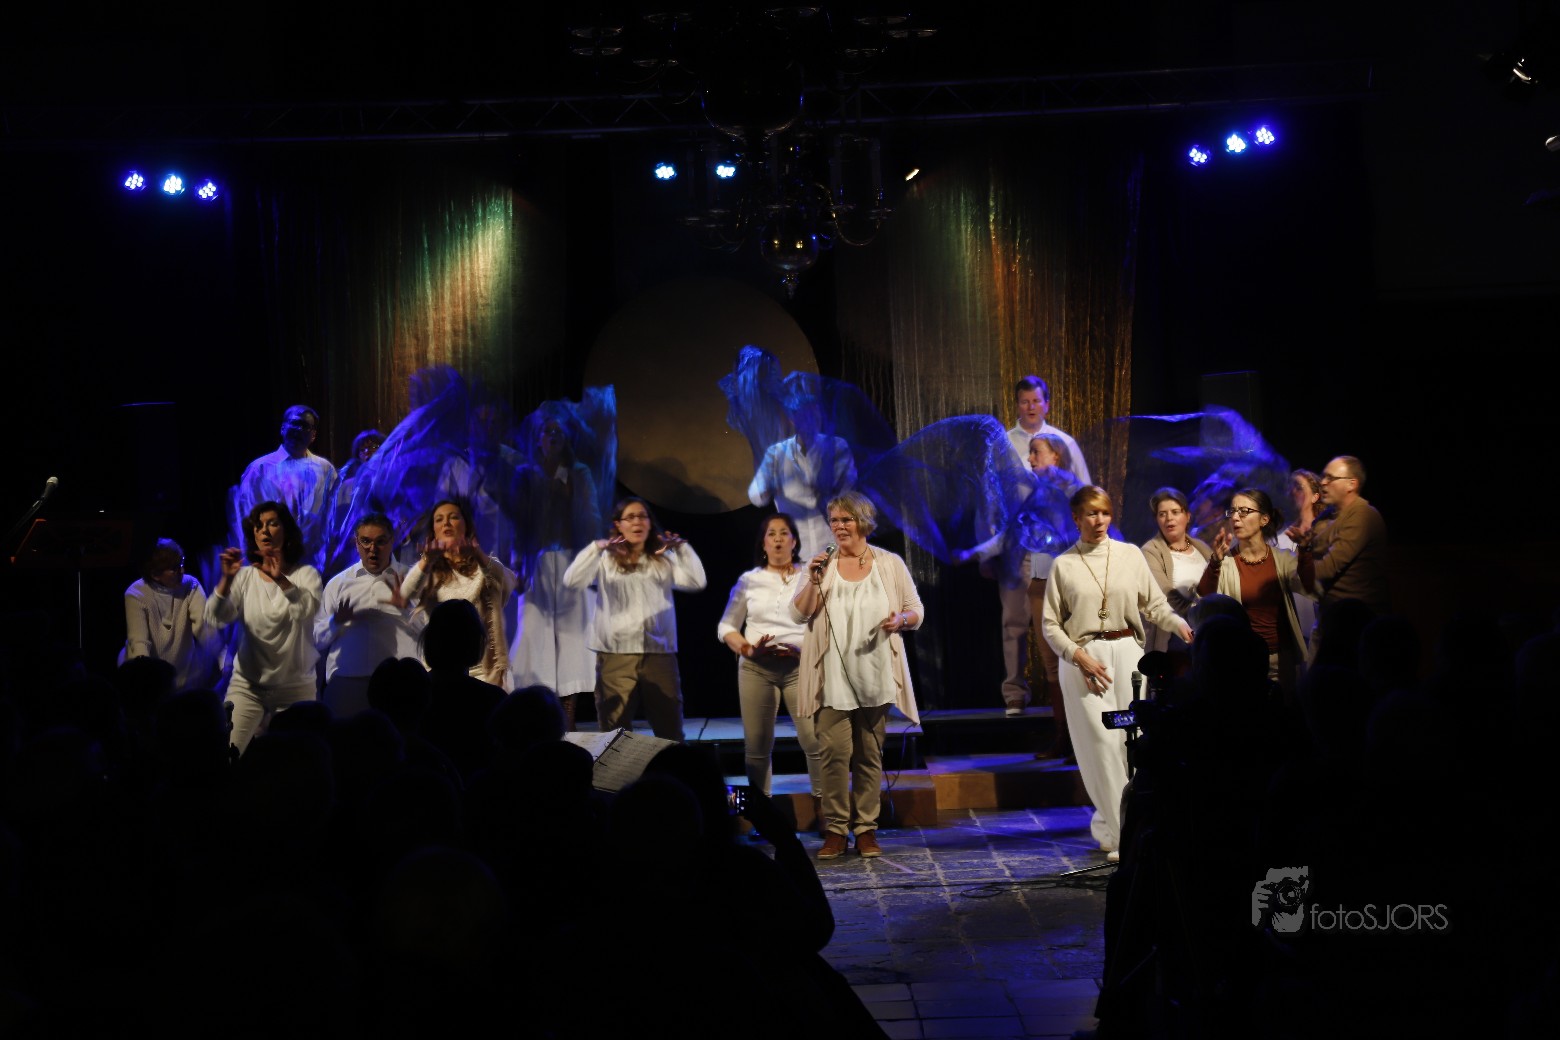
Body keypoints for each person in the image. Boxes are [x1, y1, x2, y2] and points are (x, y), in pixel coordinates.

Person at [1041, 485, 1191, 860]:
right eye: (1091, 513)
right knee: (1102, 744)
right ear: (1076, 518)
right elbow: (1050, 625)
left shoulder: (1129, 555)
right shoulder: (1064, 565)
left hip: (1127, 656)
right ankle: (1127, 834)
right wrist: (1078, 656)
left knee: (1131, 743)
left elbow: (1154, 605)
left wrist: (1179, 625)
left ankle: (1113, 823)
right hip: (1084, 662)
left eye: (1105, 512)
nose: (1099, 520)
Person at [790, 490, 923, 860]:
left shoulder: (889, 563)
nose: (839, 526)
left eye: (846, 519)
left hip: (875, 674)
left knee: (868, 756)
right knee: (834, 755)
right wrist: (813, 580)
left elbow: (915, 610)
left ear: (863, 521)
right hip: (832, 677)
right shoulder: (821, 565)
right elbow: (798, 614)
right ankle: (836, 829)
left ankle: (865, 828)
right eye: (834, 520)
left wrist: (901, 620)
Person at [562, 496, 707, 741]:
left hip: (658, 654)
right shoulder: (606, 559)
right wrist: (597, 547)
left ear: (650, 523)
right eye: (630, 517)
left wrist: (682, 549)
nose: (637, 522)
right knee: (614, 731)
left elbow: (696, 581)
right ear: (618, 525)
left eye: (642, 516)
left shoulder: (662, 559)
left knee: (670, 730)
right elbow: (571, 580)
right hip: (616, 655)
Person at [997, 377, 1090, 718]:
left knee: (1066, 620)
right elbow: (992, 497)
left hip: (1057, 549)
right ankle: (1015, 693)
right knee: (1014, 620)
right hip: (1016, 546)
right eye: (1025, 401)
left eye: (1036, 401)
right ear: (1017, 404)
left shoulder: (1062, 442)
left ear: (1046, 404)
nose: (1031, 407)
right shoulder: (1004, 444)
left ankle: (1072, 697)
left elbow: (1085, 493)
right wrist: (991, 549)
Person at [717, 512, 824, 802]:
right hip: (757, 669)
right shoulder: (749, 580)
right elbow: (726, 626)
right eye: (771, 534)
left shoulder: (810, 577)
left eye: (784, 533)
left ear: (795, 541)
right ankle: (760, 811)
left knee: (814, 740)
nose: (777, 539)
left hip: (800, 667)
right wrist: (749, 649)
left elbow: (826, 624)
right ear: (763, 544)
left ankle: (827, 811)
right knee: (757, 745)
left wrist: (805, 650)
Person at [509, 405, 603, 730]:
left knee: (573, 639)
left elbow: (591, 516)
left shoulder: (578, 473)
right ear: (537, 438)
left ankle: (568, 718)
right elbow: (518, 522)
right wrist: (517, 562)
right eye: (547, 431)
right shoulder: (525, 474)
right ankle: (541, 718)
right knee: (535, 636)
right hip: (536, 563)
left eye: (558, 432)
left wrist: (593, 559)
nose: (552, 436)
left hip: (571, 560)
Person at [204, 501, 324, 755]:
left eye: (272, 524)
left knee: (299, 758)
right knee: (227, 753)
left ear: (286, 531)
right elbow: (215, 618)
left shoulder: (306, 575)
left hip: (295, 685)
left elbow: (305, 611)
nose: (264, 531)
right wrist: (226, 579)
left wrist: (280, 578)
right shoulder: (244, 577)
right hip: (248, 685)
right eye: (258, 526)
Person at [1196, 488, 1308, 693]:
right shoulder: (1226, 561)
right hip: (1241, 659)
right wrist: (1215, 562)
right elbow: (1205, 598)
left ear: (1264, 519)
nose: (1235, 517)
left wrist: (1306, 552)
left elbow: (1310, 587)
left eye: (1244, 511)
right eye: (1232, 511)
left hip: (1281, 659)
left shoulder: (1283, 559)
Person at [400, 498, 517, 690]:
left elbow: (505, 582)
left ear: (466, 525)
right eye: (439, 519)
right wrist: (426, 561)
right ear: (433, 530)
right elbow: (407, 593)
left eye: (453, 517)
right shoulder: (428, 572)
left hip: (486, 672)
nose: (446, 523)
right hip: (440, 673)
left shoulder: (486, 566)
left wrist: (477, 554)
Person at [313, 513, 421, 719]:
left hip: (400, 687)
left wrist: (408, 609)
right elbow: (316, 640)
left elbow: (431, 636)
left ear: (392, 541)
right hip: (346, 684)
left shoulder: (412, 580)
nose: (373, 549)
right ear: (356, 543)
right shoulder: (338, 584)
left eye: (380, 541)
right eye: (366, 541)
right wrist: (335, 622)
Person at [747, 396, 857, 561]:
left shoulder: (836, 446)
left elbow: (848, 489)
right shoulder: (776, 453)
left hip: (833, 546)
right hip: (796, 551)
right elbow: (756, 496)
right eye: (805, 417)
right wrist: (771, 485)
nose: (811, 422)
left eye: (815, 416)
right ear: (792, 419)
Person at [232, 405, 338, 574]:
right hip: (269, 562)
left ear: (313, 435)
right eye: (294, 423)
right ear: (283, 428)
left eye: (305, 426)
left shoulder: (325, 470)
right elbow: (247, 516)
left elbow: (332, 517)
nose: (298, 429)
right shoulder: (260, 469)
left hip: (311, 563)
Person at [1295, 455, 1391, 621]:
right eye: (1323, 476)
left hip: (1359, 619)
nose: (1323, 482)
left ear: (1351, 484)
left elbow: (1327, 568)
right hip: (1329, 614)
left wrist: (1290, 568)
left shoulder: (1363, 516)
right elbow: (1307, 552)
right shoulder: (1325, 516)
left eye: (1330, 478)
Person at [120, 538, 218, 693]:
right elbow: (139, 643)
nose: (182, 571)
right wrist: (148, 683)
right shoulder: (136, 594)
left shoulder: (191, 585)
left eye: (182, 563)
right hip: (147, 679)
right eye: (174, 569)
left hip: (185, 675)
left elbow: (204, 628)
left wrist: (224, 659)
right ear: (155, 574)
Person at [1139, 487, 1212, 661]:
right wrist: (1201, 613)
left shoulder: (1202, 547)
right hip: (1175, 638)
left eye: (1175, 512)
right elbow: (1165, 596)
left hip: (1209, 631)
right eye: (1162, 514)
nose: (1169, 518)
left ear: (1188, 516)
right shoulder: (1151, 551)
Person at [1274, 469, 1321, 654]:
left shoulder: (1324, 534)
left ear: (1315, 496)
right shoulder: (1278, 538)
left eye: (1299, 487)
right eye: (1289, 487)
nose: (1292, 492)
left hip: (1319, 620)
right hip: (1290, 625)